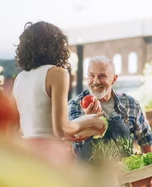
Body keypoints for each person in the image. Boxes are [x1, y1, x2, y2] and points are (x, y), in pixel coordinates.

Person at [12, 21, 106, 159]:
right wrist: (90, 120)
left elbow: (14, 128)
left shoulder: (19, 78)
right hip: (50, 158)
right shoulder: (57, 73)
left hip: (25, 157)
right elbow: (61, 129)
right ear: (55, 45)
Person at [68, 56, 152, 160]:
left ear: (114, 79)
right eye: (91, 76)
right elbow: (70, 142)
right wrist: (87, 121)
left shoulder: (131, 104)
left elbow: (146, 141)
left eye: (102, 76)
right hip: (86, 175)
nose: (96, 81)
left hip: (124, 174)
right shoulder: (74, 105)